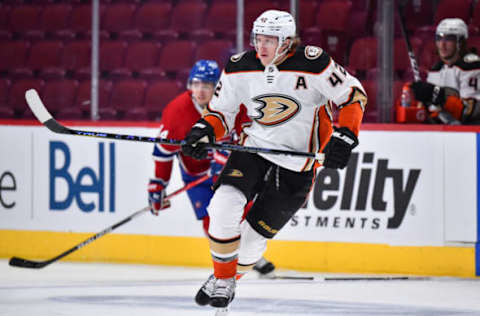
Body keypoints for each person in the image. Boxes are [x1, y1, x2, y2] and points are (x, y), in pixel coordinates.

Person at [182, 10, 367, 310]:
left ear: (287, 41)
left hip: (298, 164)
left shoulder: (314, 63)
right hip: (254, 149)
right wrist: (204, 130)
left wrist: (345, 136)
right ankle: (224, 279)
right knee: (222, 206)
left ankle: (225, 276)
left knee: (253, 240)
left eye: (271, 40)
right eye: (259, 39)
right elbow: (221, 114)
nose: (262, 46)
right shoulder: (240, 67)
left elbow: (354, 95)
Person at [147, 59, 276, 277]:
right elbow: (164, 152)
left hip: (229, 171)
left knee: (244, 213)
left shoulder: (234, 105)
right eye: (196, 84)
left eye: (207, 85)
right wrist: (158, 184)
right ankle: (227, 263)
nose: (201, 90)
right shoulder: (177, 111)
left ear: (217, 87)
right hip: (195, 174)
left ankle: (249, 257)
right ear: (190, 85)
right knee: (211, 221)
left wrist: (229, 156)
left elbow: (249, 136)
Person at [407, 18, 480, 124]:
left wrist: (436, 94)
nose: (442, 44)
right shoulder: (436, 70)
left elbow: (471, 112)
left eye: (449, 39)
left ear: (461, 41)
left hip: (469, 135)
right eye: (439, 38)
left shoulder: (472, 67)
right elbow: (433, 111)